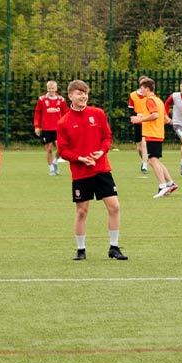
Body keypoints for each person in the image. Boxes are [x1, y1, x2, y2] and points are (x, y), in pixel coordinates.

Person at [55, 80, 126, 261]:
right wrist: (80, 158)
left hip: (102, 169)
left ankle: (114, 247)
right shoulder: (64, 122)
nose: (83, 96)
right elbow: (62, 150)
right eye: (79, 93)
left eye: (85, 93)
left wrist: (100, 152)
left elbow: (107, 137)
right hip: (81, 173)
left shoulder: (98, 114)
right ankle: (80, 250)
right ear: (70, 96)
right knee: (81, 212)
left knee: (115, 207)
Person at [128, 78, 177, 198]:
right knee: (156, 160)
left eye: (142, 88)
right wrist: (143, 116)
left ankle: (162, 186)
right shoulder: (158, 100)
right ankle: (170, 183)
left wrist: (139, 119)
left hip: (152, 134)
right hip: (158, 133)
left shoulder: (149, 100)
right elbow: (165, 119)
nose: (140, 91)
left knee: (152, 161)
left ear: (147, 88)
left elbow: (155, 115)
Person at [35, 81, 66, 176]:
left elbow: (66, 113)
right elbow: (37, 113)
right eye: (49, 88)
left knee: (61, 147)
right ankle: (51, 169)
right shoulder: (42, 100)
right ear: (47, 88)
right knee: (49, 149)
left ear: (56, 89)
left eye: (53, 88)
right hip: (46, 128)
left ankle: (55, 162)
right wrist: (37, 126)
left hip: (58, 128)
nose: (51, 90)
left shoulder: (61, 100)